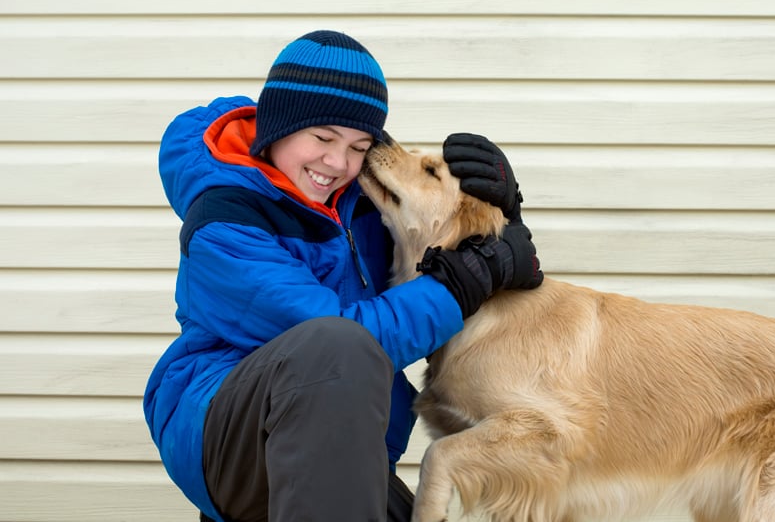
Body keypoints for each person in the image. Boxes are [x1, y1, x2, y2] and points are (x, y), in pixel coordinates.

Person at [143, 29, 543, 522]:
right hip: (227, 436)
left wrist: (496, 221)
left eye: (358, 146)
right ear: (277, 128)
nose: (337, 163)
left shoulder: (360, 200)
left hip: (340, 451)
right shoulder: (226, 220)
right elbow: (341, 333)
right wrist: (462, 283)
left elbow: (435, 242)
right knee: (336, 342)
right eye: (322, 138)